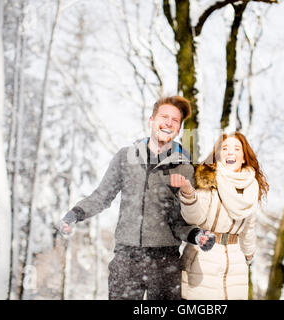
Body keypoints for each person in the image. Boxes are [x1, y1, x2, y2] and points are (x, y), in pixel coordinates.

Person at [60, 96, 214, 300]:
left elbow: (180, 222)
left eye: (175, 120)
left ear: (178, 129)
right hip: (126, 260)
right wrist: (74, 215)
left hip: (165, 263)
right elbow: (101, 196)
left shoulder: (184, 168)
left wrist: (197, 236)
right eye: (164, 116)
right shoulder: (125, 157)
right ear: (151, 120)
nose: (168, 123)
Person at [170, 131, 269, 300]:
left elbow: (248, 228)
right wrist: (188, 194)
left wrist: (248, 255)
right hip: (203, 257)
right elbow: (195, 219)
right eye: (225, 148)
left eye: (237, 149)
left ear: (244, 157)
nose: (231, 152)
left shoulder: (251, 188)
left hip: (236, 263)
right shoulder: (207, 179)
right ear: (218, 155)